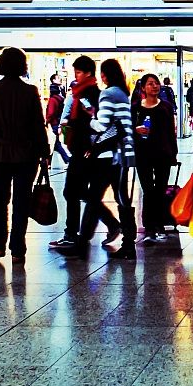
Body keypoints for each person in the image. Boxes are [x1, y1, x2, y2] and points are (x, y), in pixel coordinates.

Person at [0, 47, 50, 264]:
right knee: (22, 200)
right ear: (22, 65)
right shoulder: (30, 91)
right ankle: (18, 249)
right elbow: (38, 125)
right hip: (26, 154)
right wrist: (45, 152)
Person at [60, 59, 136, 259]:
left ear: (104, 75)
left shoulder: (108, 93)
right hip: (116, 153)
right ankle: (88, 242)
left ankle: (125, 244)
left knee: (112, 199)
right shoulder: (122, 93)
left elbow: (103, 126)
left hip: (111, 154)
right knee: (103, 199)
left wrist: (90, 118)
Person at [52, 56, 114, 250]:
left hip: (86, 151)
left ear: (88, 73)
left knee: (72, 191)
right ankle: (110, 224)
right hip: (84, 150)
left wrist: (72, 125)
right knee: (77, 192)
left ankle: (72, 234)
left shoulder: (91, 95)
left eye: (78, 72)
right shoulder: (80, 93)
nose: (75, 76)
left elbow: (94, 123)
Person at [132, 73, 179, 243]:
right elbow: (128, 129)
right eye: (150, 84)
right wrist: (135, 130)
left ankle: (159, 225)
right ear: (143, 87)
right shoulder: (136, 107)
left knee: (160, 190)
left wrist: (173, 153)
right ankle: (149, 226)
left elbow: (170, 132)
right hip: (143, 154)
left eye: (156, 83)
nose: (155, 86)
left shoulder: (165, 107)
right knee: (148, 190)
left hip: (162, 154)